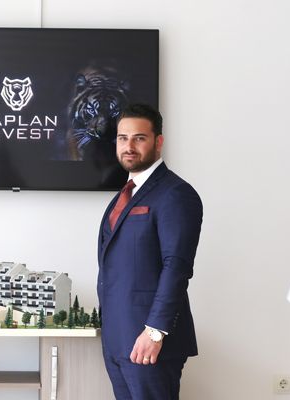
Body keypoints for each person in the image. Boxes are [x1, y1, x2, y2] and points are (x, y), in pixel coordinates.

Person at [97, 104, 202, 400]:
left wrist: (155, 332)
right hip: (117, 341)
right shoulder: (125, 193)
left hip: (151, 341)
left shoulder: (175, 193)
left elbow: (176, 267)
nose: (129, 146)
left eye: (139, 138)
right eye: (122, 138)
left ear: (158, 141)